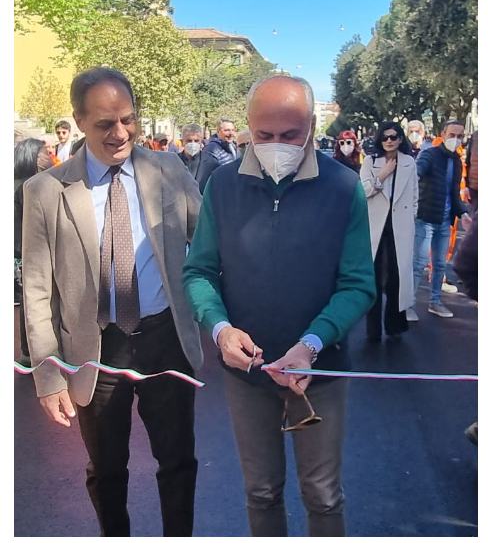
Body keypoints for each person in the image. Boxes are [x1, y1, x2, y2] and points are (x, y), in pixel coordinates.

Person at [182, 74, 375, 537]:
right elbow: (199, 272)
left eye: (289, 135)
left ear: (311, 126)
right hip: (246, 375)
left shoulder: (344, 187)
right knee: (261, 492)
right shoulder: (223, 187)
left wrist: (312, 343)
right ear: (248, 126)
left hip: (320, 371)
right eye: (264, 135)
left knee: (323, 495)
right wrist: (220, 329)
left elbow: (358, 284)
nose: (275, 145)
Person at [21, 67, 203, 536]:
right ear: (79, 121)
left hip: (165, 338)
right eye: (105, 123)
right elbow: (38, 288)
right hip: (95, 350)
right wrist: (47, 375)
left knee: (179, 462)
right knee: (106, 470)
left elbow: (205, 247)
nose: (120, 133)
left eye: (128, 119)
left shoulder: (169, 171)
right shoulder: (44, 191)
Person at [360, 121, 417, 341]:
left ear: (401, 139)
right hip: (375, 226)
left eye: (394, 137)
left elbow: (413, 195)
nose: (390, 141)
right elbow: (362, 192)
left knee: (397, 277)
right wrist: (381, 176)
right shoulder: (370, 161)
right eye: (385, 137)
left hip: (400, 227)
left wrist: (411, 217)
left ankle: (395, 326)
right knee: (373, 278)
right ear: (379, 140)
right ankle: (372, 329)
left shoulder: (409, 163)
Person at [411, 120, 470, 320]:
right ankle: (407, 305)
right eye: (452, 135)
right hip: (426, 218)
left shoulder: (456, 161)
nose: (455, 139)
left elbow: (454, 193)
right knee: (418, 263)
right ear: (442, 134)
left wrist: (463, 213)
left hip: (445, 222)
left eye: (460, 136)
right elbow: (415, 174)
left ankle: (435, 302)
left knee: (440, 264)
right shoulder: (429, 154)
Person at [14, 138, 54, 366]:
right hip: (27, 253)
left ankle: (28, 352)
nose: (48, 155)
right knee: (32, 302)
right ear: (32, 156)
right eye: (43, 152)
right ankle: (32, 352)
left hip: (22, 253)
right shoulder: (29, 186)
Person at [196, 118, 238, 192]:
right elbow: (204, 179)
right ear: (218, 131)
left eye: (233, 130)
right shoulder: (211, 150)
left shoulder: (233, 146)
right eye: (227, 130)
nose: (231, 133)